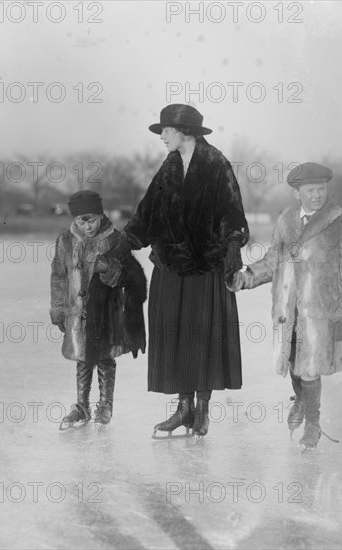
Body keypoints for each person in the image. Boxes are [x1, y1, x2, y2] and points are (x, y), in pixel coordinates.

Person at [124, 104, 249, 439]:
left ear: (185, 131)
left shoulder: (216, 163)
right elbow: (147, 210)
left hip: (205, 266)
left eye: (166, 130)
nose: (162, 136)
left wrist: (234, 244)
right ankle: (184, 409)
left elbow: (232, 211)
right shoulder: (169, 165)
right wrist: (127, 241)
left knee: (202, 336)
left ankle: (202, 411)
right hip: (170, 267)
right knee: (176, 335)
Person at [228, 162, 342, 450]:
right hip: (288, 308)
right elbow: (273, 261)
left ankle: (313, 425)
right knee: (292, 361)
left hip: (321, 310)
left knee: (311, 367)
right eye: (311, 190)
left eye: (321, 189)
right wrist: (246, 277)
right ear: (296, 192)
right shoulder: (286, 220)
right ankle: (301, 399)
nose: (317, 195)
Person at [50, 190, 147, 429]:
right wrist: (59, 309)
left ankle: (105, 405)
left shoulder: (116, 240)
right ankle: (81, 405)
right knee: (82, 357)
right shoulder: (65, 241)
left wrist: (111, 270)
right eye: (81, 221)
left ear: (100, 215)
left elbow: (131, 277)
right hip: (77, 312)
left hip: (107, 312)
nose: (87, 226)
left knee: (104, 357)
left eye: (91, 219)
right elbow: (59, 277)